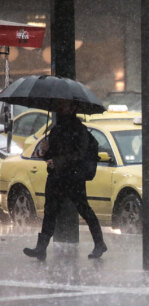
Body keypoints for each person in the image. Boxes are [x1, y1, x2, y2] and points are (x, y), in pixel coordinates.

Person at [23, 102, 107, 260]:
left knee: (84, 209)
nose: (60, 109)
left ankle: (99, 243)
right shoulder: (55, 129)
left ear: (73, 109)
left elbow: (79, 154)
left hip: (73, 178)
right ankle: (41, 248)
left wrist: (58, 161)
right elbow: (50, 156)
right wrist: (45, 151)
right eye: (59, 106)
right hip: (56, 177)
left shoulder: (79, 130)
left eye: (64, 106)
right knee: (50, 212)